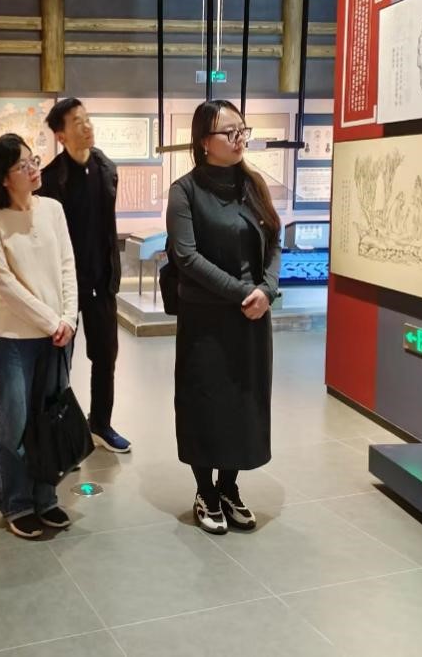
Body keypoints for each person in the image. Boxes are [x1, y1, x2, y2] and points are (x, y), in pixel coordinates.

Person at [165, 99, 281, 535]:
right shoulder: (185, 191)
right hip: (206, 319)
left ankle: (229, 487)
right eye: (229, 132)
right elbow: (187, 257)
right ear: (203, 142)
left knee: (244, 403)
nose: (239, 139)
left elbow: (274, 241)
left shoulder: (254, 184)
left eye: (242, 130)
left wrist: (267, 289)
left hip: (252, 317)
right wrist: (243, 292)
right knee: (205, 402)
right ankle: (205, 492)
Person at [0, 134, 78, 539]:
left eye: (33, 160)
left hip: (59, 334)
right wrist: (51, 321)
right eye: (22, 165)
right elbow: (4, 284)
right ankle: (17, 503)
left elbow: (68, 265)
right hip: (15, 338)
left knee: (49, 420)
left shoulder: (53, 209)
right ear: (4, 178)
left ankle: (46, 497)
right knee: (13, 425)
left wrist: (68, 317)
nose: (34, 168)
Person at [38, 98, 130, 453]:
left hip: (102, 281)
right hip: (65, 286)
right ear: (61, 135)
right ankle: (57, 433)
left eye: (87, 119)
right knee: (59, 360)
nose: (87, 126)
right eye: (77, 122)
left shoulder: (106, 168)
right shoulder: (51, 180)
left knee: (106, 355)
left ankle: (100, 424)